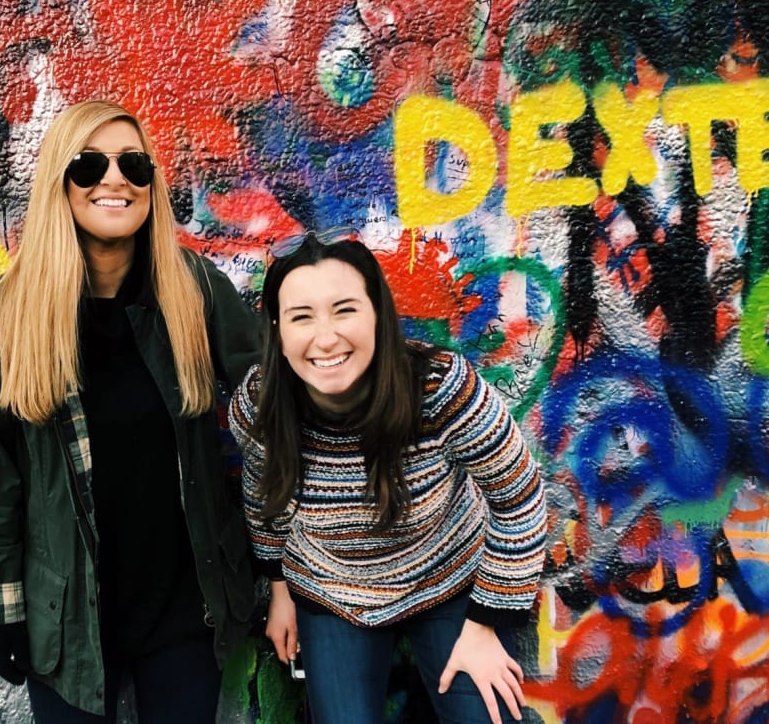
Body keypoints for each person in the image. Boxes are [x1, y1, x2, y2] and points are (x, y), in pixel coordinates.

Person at [0, 100, 262, 722]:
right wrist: (2, 611)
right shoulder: (5, 313)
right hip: (64, 618)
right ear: (58, 185)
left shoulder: (195, 290)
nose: (114, 179)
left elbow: (280, 396)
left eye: (133, 164)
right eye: (89, 164)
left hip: (185, 612)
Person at [230, 233, 546, 724]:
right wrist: (279, 590)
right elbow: (261, 498)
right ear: (277, 328)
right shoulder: (258, 407)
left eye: (344, 310)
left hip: (448, 579)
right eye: (301, 317)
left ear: (378, 312)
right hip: (332, 591)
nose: (326, 336)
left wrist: (486, 624)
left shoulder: (440, 388)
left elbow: (520, 498)